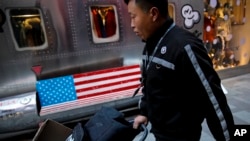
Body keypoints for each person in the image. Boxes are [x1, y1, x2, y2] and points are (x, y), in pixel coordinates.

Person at [123, 0, 235, 140]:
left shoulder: (185, 47)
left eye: (133, 17)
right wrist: (144, 112)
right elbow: (149, 84)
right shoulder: (151, 44)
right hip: (159, 133)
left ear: (153, 14)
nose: (132, 25)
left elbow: (213, 101)